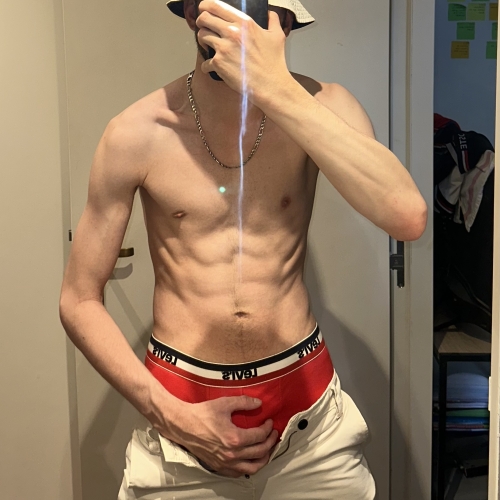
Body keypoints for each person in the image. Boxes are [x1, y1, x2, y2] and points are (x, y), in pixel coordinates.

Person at [59, 0, 427, 498]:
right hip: (179, 426)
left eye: (257, 9)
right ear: (192, 14)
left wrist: (274, 86)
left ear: (286, 23)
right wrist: (169, 415)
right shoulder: (136, 132)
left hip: (311, 427)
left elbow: (406, 216)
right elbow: (78, 299)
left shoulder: (324, 105)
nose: (239, 23)